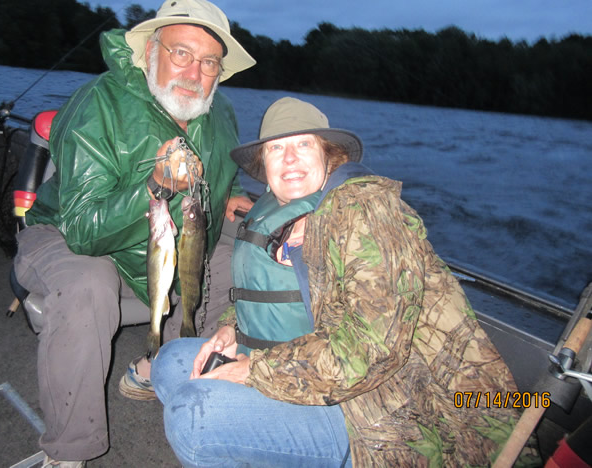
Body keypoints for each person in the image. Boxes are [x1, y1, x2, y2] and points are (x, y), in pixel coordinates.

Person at [151, 97, 540, 467]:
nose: (289, 158)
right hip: (295, 367)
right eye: (275, 148)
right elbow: (267, 294)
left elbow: (372, 351)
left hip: (378, 411)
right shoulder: (278, 207)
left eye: (303, 144)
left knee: (193, 419)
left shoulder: (366, 212)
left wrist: (252, 371)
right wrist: (230, 329)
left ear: (328, 154)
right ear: (263, 164)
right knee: (169, 365)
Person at [12, 0, 255, 467]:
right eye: (181, 53)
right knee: (88, 285)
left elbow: (223, 168)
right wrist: (154, 187)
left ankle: (159, 367)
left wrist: (232, 193)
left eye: (209, 62)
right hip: (69, 233)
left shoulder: (220, 112)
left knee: (238, 259)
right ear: (150, 51)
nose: (194, 72)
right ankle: (68, 450)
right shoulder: (98, 103)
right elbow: (83, 229)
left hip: (164, 239)